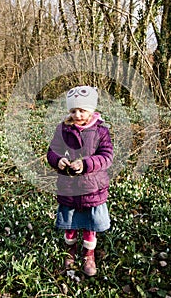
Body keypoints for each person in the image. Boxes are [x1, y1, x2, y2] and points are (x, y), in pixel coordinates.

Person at [47, 85, 113, 276]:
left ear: (91, 109)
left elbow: (107, 156)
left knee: (90, 225)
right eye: (73, 110)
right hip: (69, 186)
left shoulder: (101, 131)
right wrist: (58, 160)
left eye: (82, 110)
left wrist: (86, 164)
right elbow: (52, 150)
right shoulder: (63, 129)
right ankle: (70, 250)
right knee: (70, 223)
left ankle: (89, 255)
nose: (77, 114)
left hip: (93, 187)